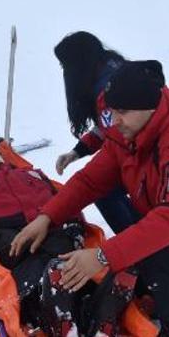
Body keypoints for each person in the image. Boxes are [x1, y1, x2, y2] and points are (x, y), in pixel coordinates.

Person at [11, 61, 169, 337]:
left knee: (157, 260)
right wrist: (47, 216)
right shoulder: (127, 132)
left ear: (149, 109)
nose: (114, 121)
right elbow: (90, 181)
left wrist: (102, 256)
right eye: (112, 111)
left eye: (122, 112)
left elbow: (168, 222)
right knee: (138, 273)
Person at [0, 144, 133, 337]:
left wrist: (73, 223)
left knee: (64, 258)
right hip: (8, 234)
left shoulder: (30, 173)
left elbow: (63, 199)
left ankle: (83, 312)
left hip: (49, 224)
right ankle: (59, 310)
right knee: (36, 264)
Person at [53, 32, 140, 234]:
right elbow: (106, 128)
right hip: (148, 153)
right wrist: (77, 152)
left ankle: (139, 244)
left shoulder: (107, 91)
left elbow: (117, 141)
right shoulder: (112, 66)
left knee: (102, 188)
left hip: (147, 159)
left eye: (65, 66)